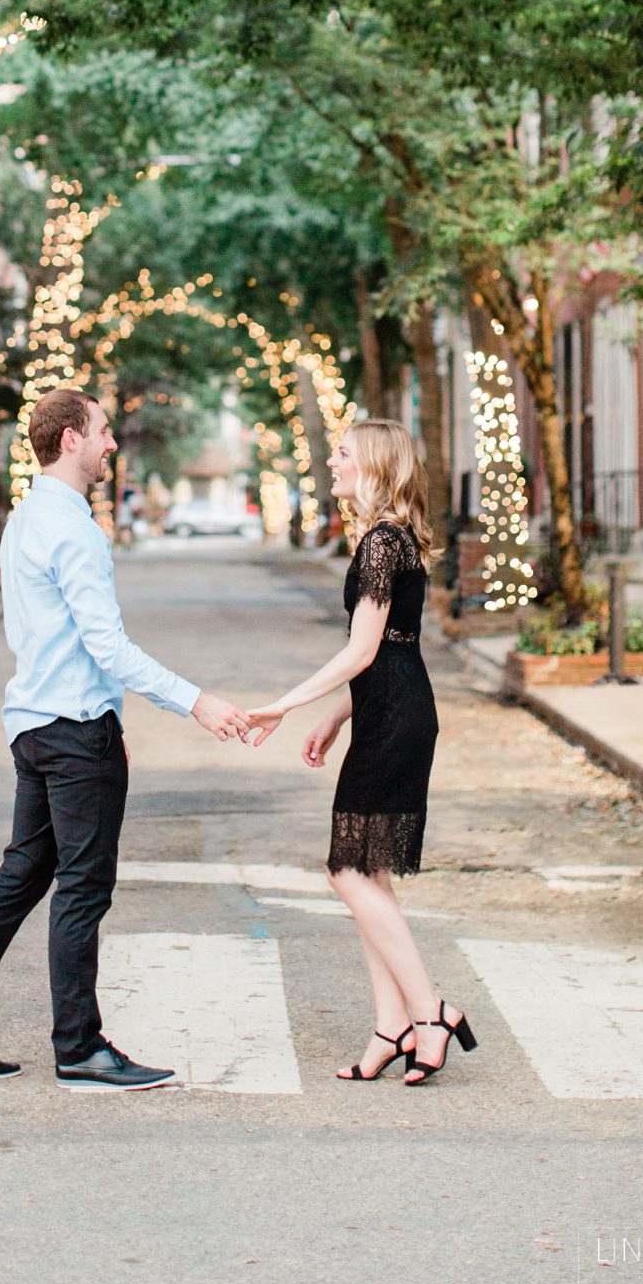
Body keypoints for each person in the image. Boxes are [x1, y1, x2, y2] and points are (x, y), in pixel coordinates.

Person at [0, 385, 251, 1092]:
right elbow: (106, 645)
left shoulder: (27, 519)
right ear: (70, 439)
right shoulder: (73, 529)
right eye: (101, 430)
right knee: (82, 889)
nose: (110, 444)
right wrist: (196, 702)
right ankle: (79, 1048)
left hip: (35, 725)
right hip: (74, 733)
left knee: (22, 875)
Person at [248, 420, 478, 1085]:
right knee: (368, 874)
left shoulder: (382, 542)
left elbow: (364, 650)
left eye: (343, 454)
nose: (331, 462)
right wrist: (333, 715)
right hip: (389, 711)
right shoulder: (387, 538)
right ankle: (391, 1028)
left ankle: (431, 1010)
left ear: (375, 466)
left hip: (395, 720)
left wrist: (282, 706)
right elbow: (391, 652)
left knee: (347, 873)